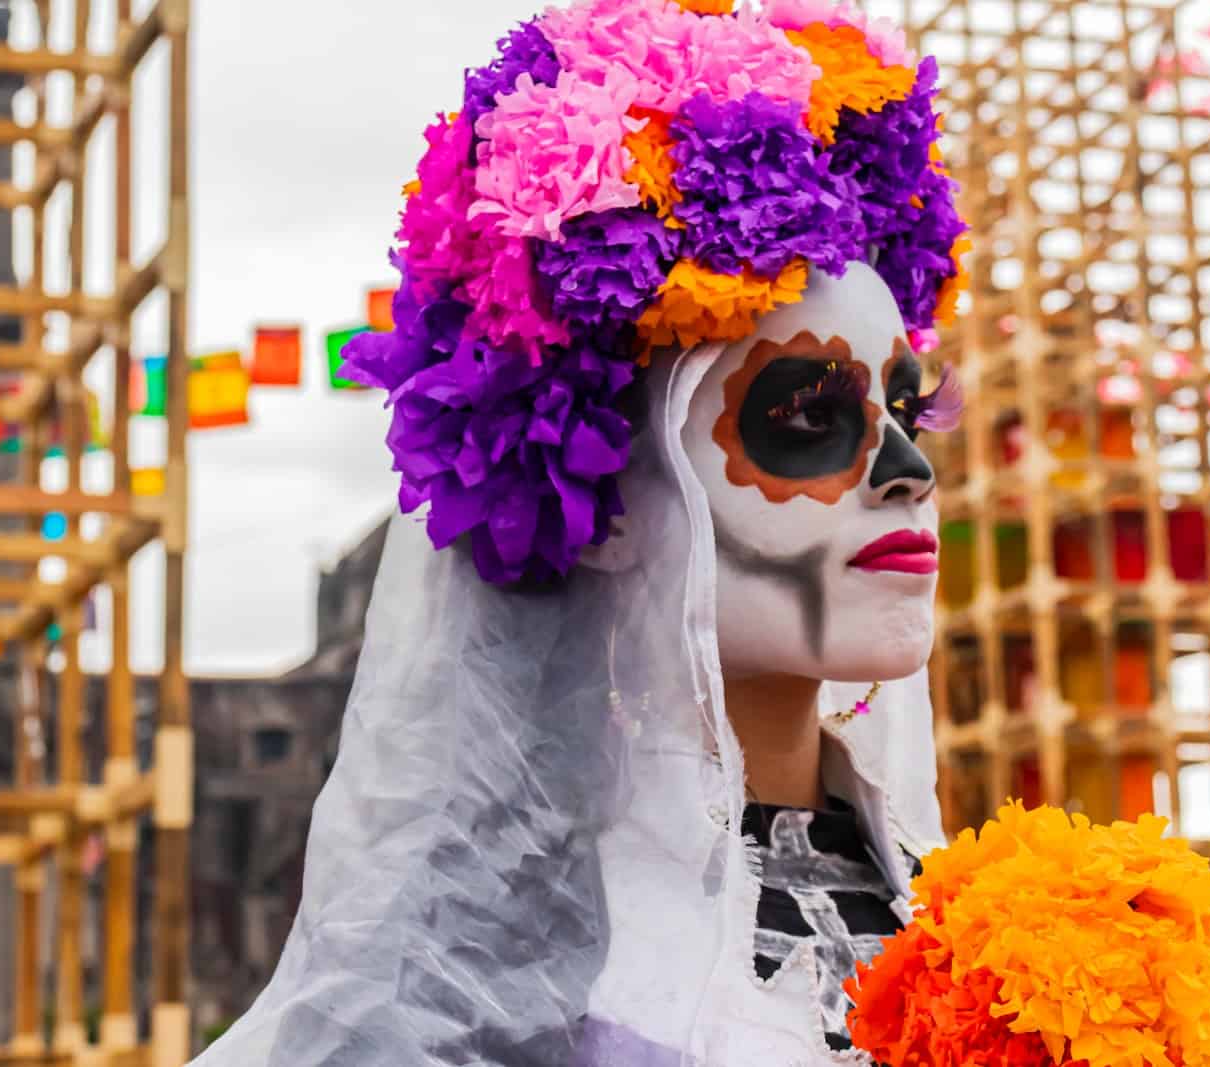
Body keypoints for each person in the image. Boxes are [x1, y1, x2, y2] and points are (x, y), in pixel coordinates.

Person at [189, 0, 968, 1063]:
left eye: (907, 409)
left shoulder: (979, 923)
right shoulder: (477, 968)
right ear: (609, 492)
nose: (907, 473)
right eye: (804, 416)